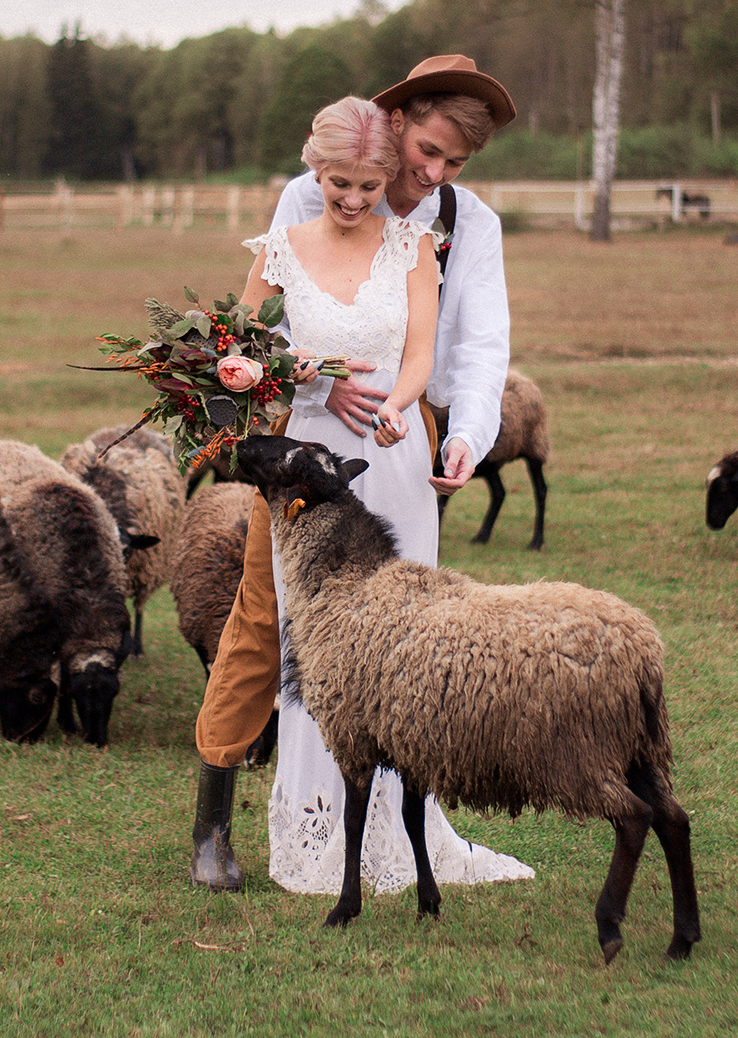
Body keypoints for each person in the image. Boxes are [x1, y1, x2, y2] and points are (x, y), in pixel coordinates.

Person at [190, 55, 519, 893]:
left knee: (410, 630)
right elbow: (256, 323)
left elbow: (477, 343)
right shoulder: (315, 194)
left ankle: (398, 830)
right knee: (270, 624)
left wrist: (466, 437)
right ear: (396, 121)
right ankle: (215, 827)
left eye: (453, 163)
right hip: (304, 442)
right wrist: (314, 380)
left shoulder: (465, 225)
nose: (433, 173)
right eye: (429, 149)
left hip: (403, 431)